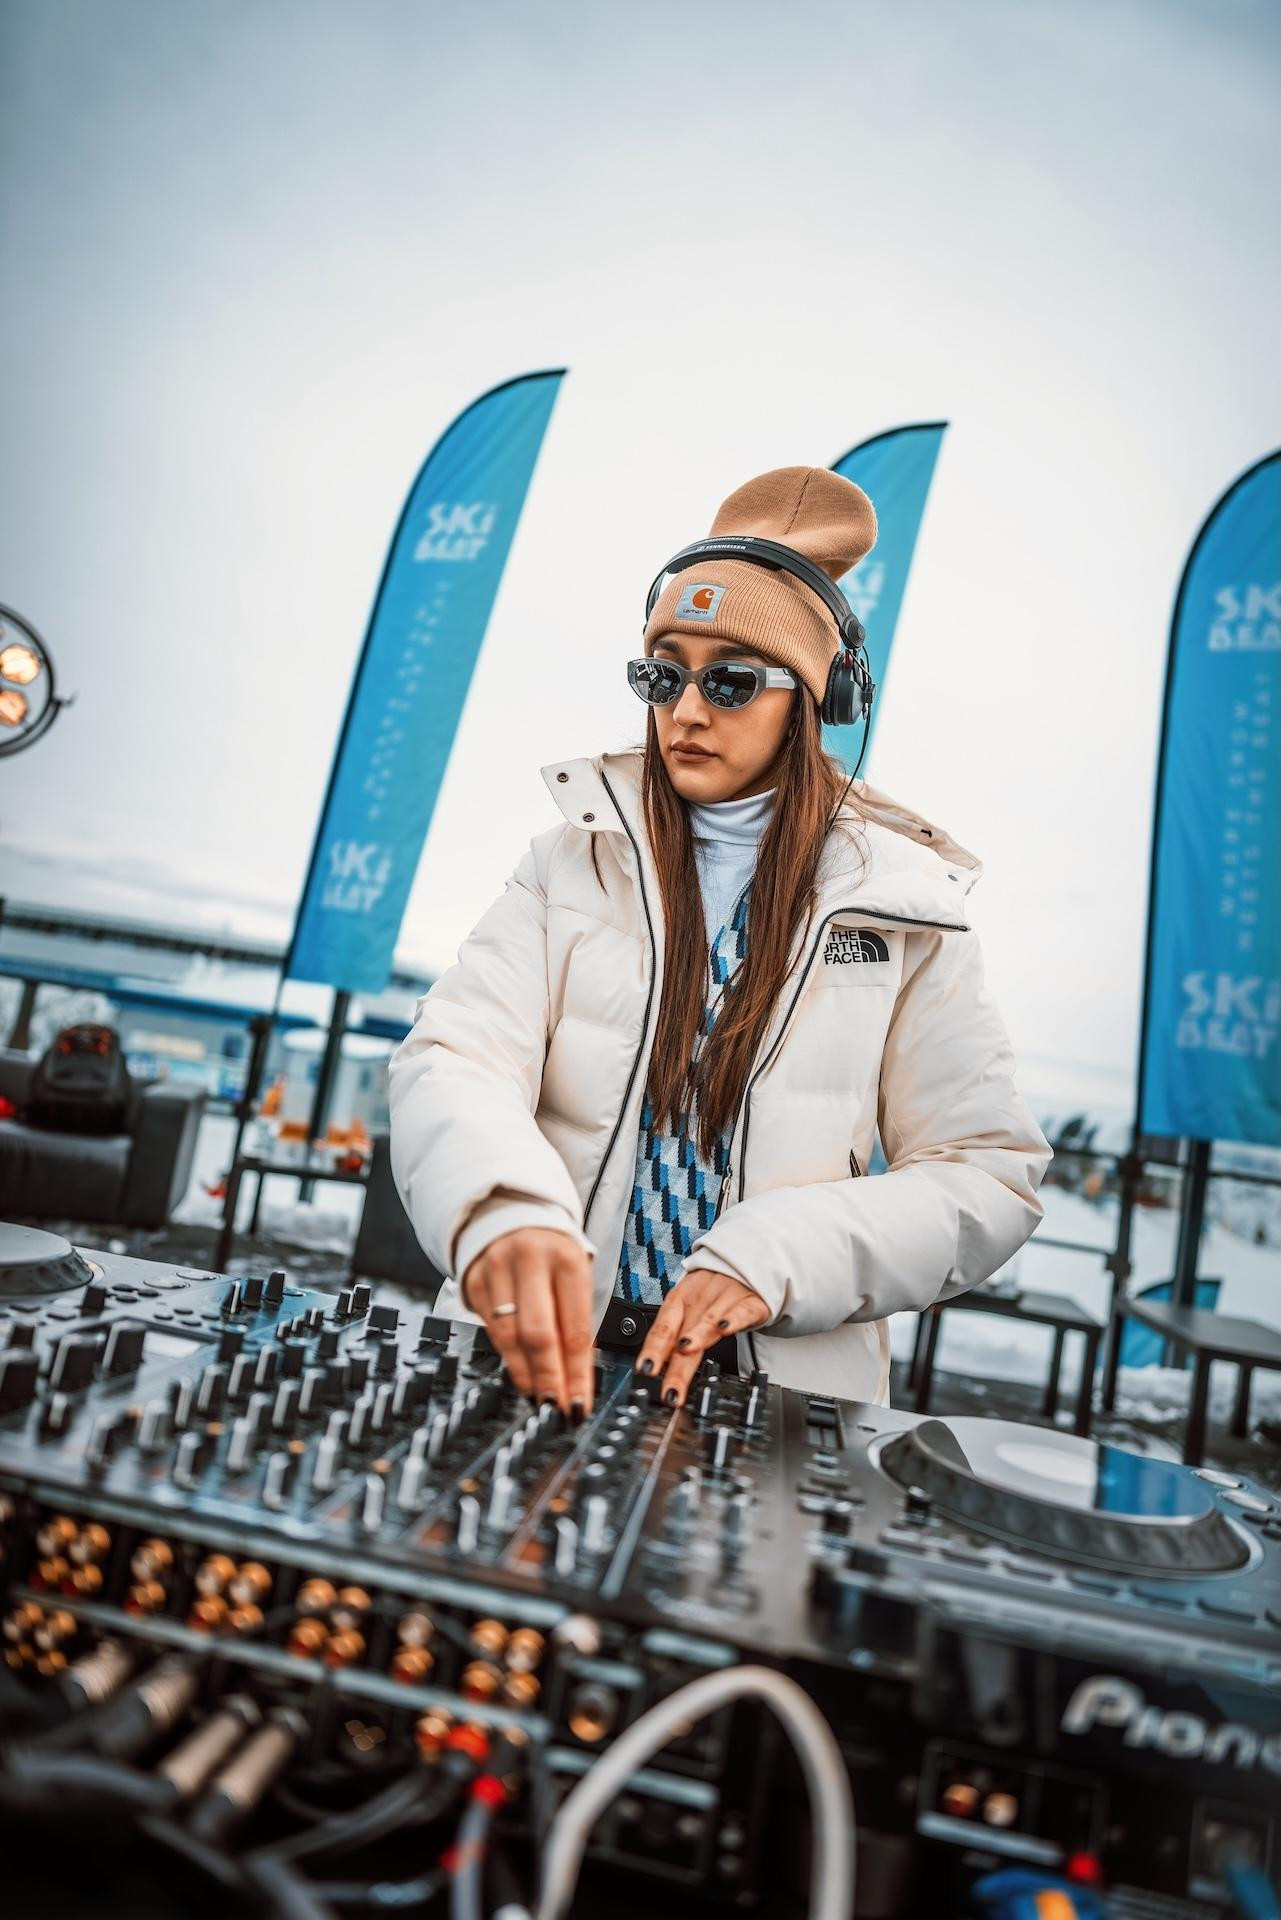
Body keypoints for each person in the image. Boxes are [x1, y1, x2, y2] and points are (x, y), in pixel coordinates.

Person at [388, 465, 1052, 1417]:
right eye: (662, 675)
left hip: (772, 1397)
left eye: (732, 680)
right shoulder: (564, 864)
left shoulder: (905, 910)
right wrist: (502, 1210)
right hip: (527, 1359)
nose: (687, 710)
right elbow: (454, 1058)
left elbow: (985, 1172)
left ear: (815, 700)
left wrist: (778, 1257)